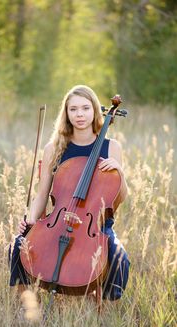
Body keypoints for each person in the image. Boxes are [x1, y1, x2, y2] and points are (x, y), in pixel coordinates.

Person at [9, 85, 130, 302]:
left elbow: (121, 195)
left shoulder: (112, 147)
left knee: (119, 257)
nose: (80, 114)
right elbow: (42, 193)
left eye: (85, 108)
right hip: (59, 219)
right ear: (66, 113)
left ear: (94, 110)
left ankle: (103, 305)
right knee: (19, 245)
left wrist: (119, 170)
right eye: (73, 109)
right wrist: (30, 221)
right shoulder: (54, 148)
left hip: (95, 225)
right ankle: (26, 304)